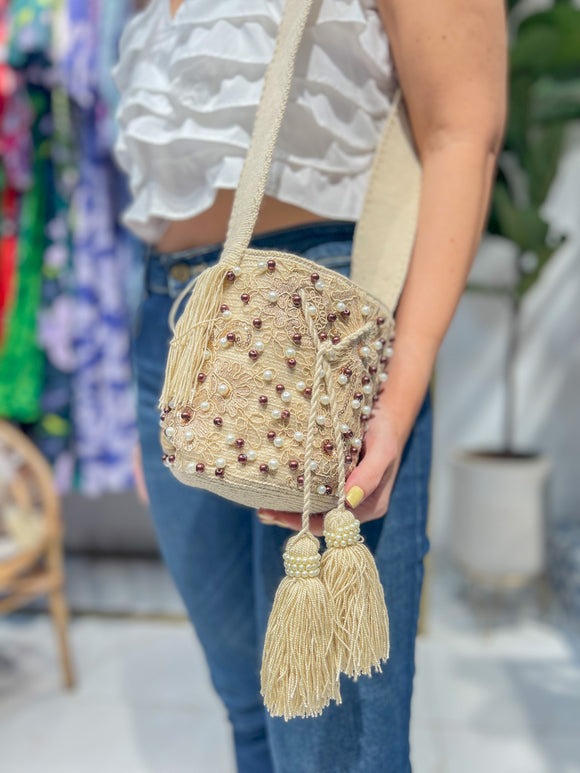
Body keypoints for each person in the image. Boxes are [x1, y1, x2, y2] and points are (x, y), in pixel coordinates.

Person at [113, 0, 507, 771]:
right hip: (177, 326)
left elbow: (463, 129)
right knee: (249, 710)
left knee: (328, 747)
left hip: (319, 329)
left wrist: (396, 395)